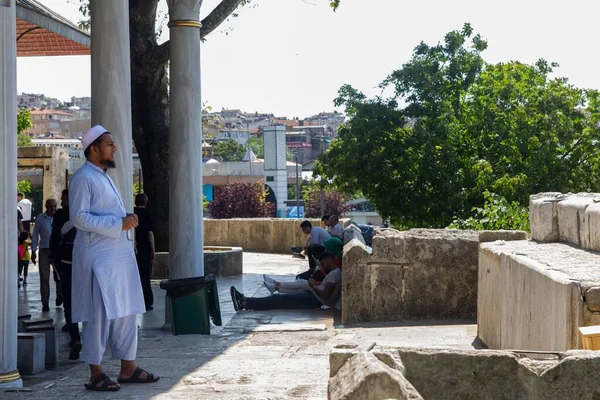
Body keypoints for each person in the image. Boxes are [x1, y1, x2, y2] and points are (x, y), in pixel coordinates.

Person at [70, 125, 159, 392]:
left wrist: (125, 223)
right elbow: (79, 217)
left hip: (117, 257)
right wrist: (118, 223)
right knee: (99, 314)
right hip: (98, 258)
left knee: (126, 312)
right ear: (94, 149)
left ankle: (127, 367)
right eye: (109, 144)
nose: (114, 148)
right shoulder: (83, 178)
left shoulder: (103, 176)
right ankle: (95, 372)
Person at [230, 251, 342, 311]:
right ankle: (244, 300)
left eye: (322, 264)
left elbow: (325, 295)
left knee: (278, 299)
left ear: (328, 261)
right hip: (312, 296)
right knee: (283, 295)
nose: (322, 267)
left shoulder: (334, 274)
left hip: (313, 299)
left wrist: (313, 286)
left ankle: (245, 303)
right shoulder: (335, 273)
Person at [50, 189, 82, 360]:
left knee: (69, 301)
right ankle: (81, 336)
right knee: (83, 300)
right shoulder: (84, 212)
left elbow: (56, 237)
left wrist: (54, 257)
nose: (62, 201)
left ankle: (75, 336)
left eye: (64, 198)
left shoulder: (62, 215)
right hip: (83, 263)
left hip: (67, 263)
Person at [264, 237, 343, 294]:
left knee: (301, 283)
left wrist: (314, 285)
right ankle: (275, 288)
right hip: (320, 285)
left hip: (319, 287)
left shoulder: (333, 262)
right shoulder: (335, 261)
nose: (325, 250)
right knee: (299, 290)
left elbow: (327, 277)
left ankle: (276, 283)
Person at [31, 198, 62, 311]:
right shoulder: (40, 218)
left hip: (57, 250)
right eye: (50, 206)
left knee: (59, 275)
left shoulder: (59, 217)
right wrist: (33, 251)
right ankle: (45, 302)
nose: (53, 208)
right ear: (46, 206)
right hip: (44, 250)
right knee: (44, 277)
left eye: (54, 206)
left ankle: (60, 294)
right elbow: (35, 234)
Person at [134, 193, 156, 311]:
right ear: (146, 202)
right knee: (145, 276)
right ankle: (147, 302)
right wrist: (153, 250)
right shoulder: (147, 215)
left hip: (132, 249)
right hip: (144, 250)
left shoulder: (131, 214)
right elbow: (150, 233)